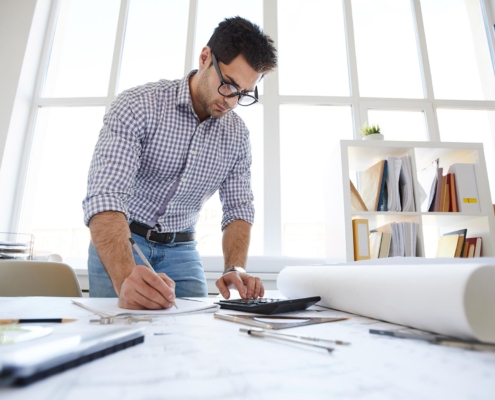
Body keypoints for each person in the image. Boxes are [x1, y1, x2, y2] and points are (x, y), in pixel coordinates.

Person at [82, 17, 277, 310]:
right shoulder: (137, 105)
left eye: (243, 94)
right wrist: (125, 278)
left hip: (182, 250)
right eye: (228, 85)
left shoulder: (237, 135)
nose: (232, 102)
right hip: (123, 241)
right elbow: (106, 196)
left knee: (194, 335)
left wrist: (234, 267)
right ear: (205, 58)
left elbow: (238, 208)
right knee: (117, 333)